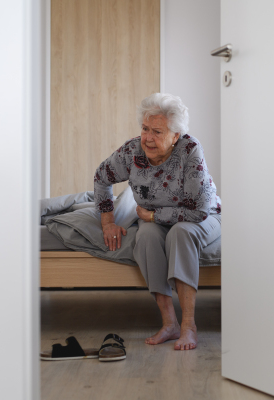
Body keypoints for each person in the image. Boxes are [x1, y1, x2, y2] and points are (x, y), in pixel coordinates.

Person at [93, 93, 221, 351]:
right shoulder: (132, 151)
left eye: (157, 132)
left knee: (180, 234)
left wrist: (153, 216)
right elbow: (101, 177)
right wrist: (108, 222)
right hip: (154, 218)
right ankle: (169, 323)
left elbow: (199, 212)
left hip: (201, 216)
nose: (148, 138)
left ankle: (188, 326)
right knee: (147, 236)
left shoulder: (190, 150)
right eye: (145, 129)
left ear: (175, 136)